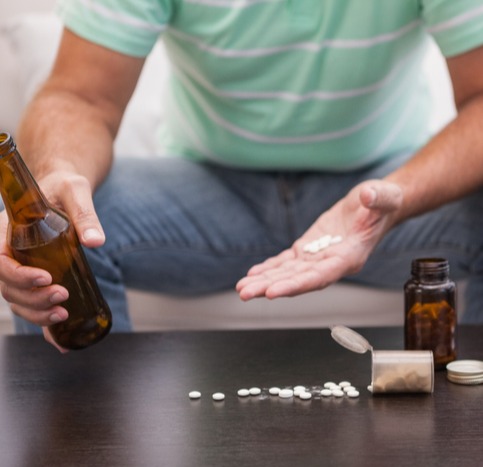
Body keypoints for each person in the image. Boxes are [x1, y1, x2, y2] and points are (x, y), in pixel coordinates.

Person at [1, 0, 483, 352]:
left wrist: (399, 196)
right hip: (208, 192)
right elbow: (81, 96)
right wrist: (58, 173)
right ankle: (91, 447)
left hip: (383, 191)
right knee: (57, 226)